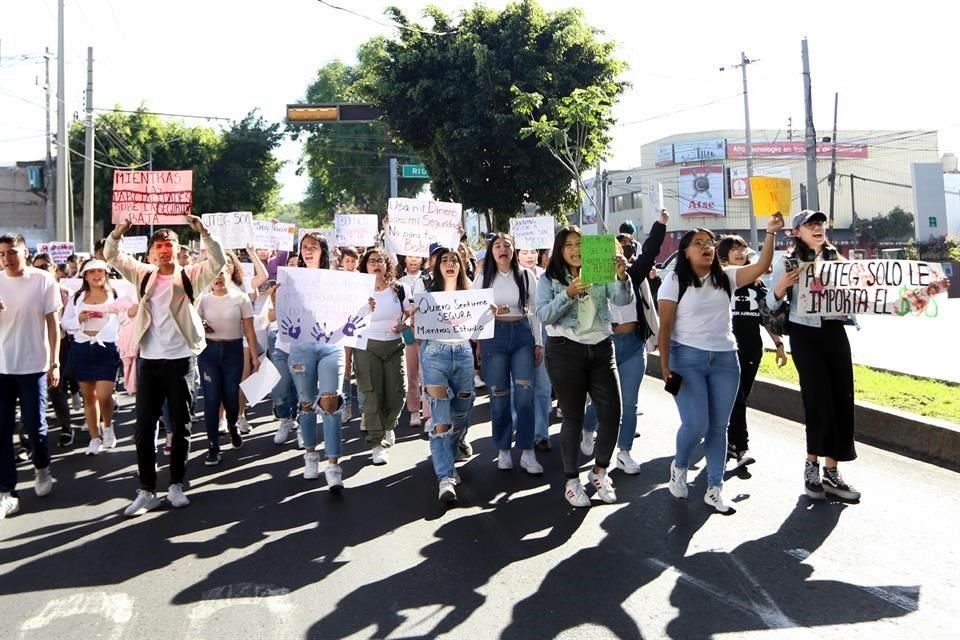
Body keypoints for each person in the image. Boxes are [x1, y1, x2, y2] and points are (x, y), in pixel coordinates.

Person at [657, 214, 784, 514]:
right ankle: (679, 465)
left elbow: (761, 266)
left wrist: (770, 233)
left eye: (709, 243)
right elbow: (664, 327)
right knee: (696, 423)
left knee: (719, 426)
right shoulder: (673, 281)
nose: (706, 247)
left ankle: (715, 488)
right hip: (687, 359)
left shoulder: (726, 277)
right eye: (698, 243)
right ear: (685, 251)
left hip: (726, 359)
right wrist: (665, 368)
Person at [105, 216, 226, 516]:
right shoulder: (143, 275)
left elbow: (218, 262)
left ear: (177, 250)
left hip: (181, 359)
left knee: (181, 426)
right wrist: (118, 233)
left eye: (169, 246)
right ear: (149, 253)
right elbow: (111, 256)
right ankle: (147, 490)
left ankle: (176, 485)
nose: (164, 251)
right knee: (144, 428)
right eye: (158, 246)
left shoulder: (189, 276)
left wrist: (205, 233)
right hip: (149, 360)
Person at [767, 210, 861, 501]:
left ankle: (833, 471)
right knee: (817, 399)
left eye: (820, 224)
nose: (817, 228)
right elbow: (771, 300)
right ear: (797, 232)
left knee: (842, 398)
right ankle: (812, 465)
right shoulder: (788, 261)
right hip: (805, 334)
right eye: (810, 225)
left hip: (835, 332)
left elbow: (857, 293)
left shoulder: (839, 261)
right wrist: (784, 285)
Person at [535, 225, 632, 507]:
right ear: (559, 250)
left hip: (602, 348)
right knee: (573, 417)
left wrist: (622, 275)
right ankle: (571, 481)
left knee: (613, 413)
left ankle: (600, 471)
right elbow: (544, 315)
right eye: (568, 245)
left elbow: (623, 299)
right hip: (565, 351)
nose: (575, 249)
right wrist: (568, 293)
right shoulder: (549, 279)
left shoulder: (600, 268)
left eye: (579, 243)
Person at [583, 209, 669, 474]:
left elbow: (651, 252)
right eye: (610, 251)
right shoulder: (590, 280)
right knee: (601, 401)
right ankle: (587, 430)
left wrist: (660, 224)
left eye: (620, 250)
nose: (616, 255)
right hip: (603, 346)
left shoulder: (634, 274)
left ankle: (624, 452)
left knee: (629, 403)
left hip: (632, 346)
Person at [272, 232, 346, 490]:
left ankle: (334, 465)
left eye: (314, 247)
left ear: (323, 251)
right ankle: (311, 456)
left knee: (330, 401)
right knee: (306, 403)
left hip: (331, 346)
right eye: (305, 247)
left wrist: (365, 306)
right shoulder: (290, 280)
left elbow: (350, 306)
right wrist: (276, 297)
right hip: (301, 348)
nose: (308, 251)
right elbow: (280, 312)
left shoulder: (338, 280)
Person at [0, 234, 61, 519]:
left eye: (12, 252)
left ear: (25, 252)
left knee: (35, 427)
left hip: (34, 365)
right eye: (1, 254)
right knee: (2, 431)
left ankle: (42, 467)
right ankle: (7, 491)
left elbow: (53, 324)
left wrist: (55, 362)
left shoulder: (42, 280)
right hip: (2, 367)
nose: (6, 259)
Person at [717, 235, 788, 469]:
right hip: (726, 349)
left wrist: (778, 345)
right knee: (737, 398)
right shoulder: (718, 280)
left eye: (742, 248)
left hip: (752, 349)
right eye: (733, 249)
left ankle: (724, 437)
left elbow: (766, 317)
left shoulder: (757, 283)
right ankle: (741, 447)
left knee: (739, 398)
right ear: (724, 255)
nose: (739, 253)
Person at [474, 233, 543, 474]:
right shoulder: (483, 278)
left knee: (525, 394)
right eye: (497, 246)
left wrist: (538, 343)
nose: (502, 249)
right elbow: (474, 312)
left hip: (523, 335)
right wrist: (488, 314)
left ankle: (527, 451)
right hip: (495, 338)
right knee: (498, 394)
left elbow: (534, 310)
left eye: (507, 245)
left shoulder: (526, 275)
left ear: (514, 250)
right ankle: (503, 449)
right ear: (492, 252)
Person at [420, 247, 477, 504]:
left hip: (463, 353)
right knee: (441, 417)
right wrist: (412, 319)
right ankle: (445, 476)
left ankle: (454, 446)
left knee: (462, 408)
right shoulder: (427, 295)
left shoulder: (471, 292)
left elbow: (480, 323)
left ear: (461, 265)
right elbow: (416, 330)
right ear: (437, 266)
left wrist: (491, 313)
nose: (450, 263)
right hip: (435, 354)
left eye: (455, 259)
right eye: (444, 260)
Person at [61, 259, 129, 456]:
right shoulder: (77, 298)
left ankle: (107, 427)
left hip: (107, 349)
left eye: (100, 271)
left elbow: (126, 320)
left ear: (106, 274)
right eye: (92, 272)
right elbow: (65, 323)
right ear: (85, 276)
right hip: (82, 348)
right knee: (88, 397)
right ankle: (94, 437)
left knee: (104, 395)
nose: (96, 275)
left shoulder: (116, 295)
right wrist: (79, 319)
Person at [197, 251, 260, 466]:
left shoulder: (240, 298)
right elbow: (192, 324)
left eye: (222, 273)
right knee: (212, 399)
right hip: (209, 353)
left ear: (228, 273)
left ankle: (232, 424)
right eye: (214, 274)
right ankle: (213, 445)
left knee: (231, 396)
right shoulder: (203, 300)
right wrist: (202, 325)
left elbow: (249, 331)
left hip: (233, 351)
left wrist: (254, 358)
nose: (219, 278)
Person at [354, 248, 410, 465]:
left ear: (388, 265)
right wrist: (363, 308)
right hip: (366, 347)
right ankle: (377, 443)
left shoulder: (400, 289)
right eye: (371, 261)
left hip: (394, 346)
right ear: (365, 266)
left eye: (380, 260)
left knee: (398, 393)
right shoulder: (357, 291)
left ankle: (388, 425)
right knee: (371, 395)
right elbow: (347, 320)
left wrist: (406, 322)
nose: (376, 264)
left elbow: (409, 314)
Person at [516, 247, 552, 451]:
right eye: (524, 252)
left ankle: (541, 434)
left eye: (533, 251)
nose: (529, 256)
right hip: (520, 333)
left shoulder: (547, 276)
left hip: (544, 334)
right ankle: (521, 428)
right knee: (521, 387)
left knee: (543, 386)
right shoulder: (513, 276)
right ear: (517, 254)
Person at [396, 255, 429, 428]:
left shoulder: (428, 278)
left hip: (428, 331)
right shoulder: (399, 282)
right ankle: (414, 410)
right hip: (409, 331)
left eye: (417, 256)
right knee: (412, 372)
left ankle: (427, 411)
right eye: (410, 256)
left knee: (427, 372)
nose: (414, 260)